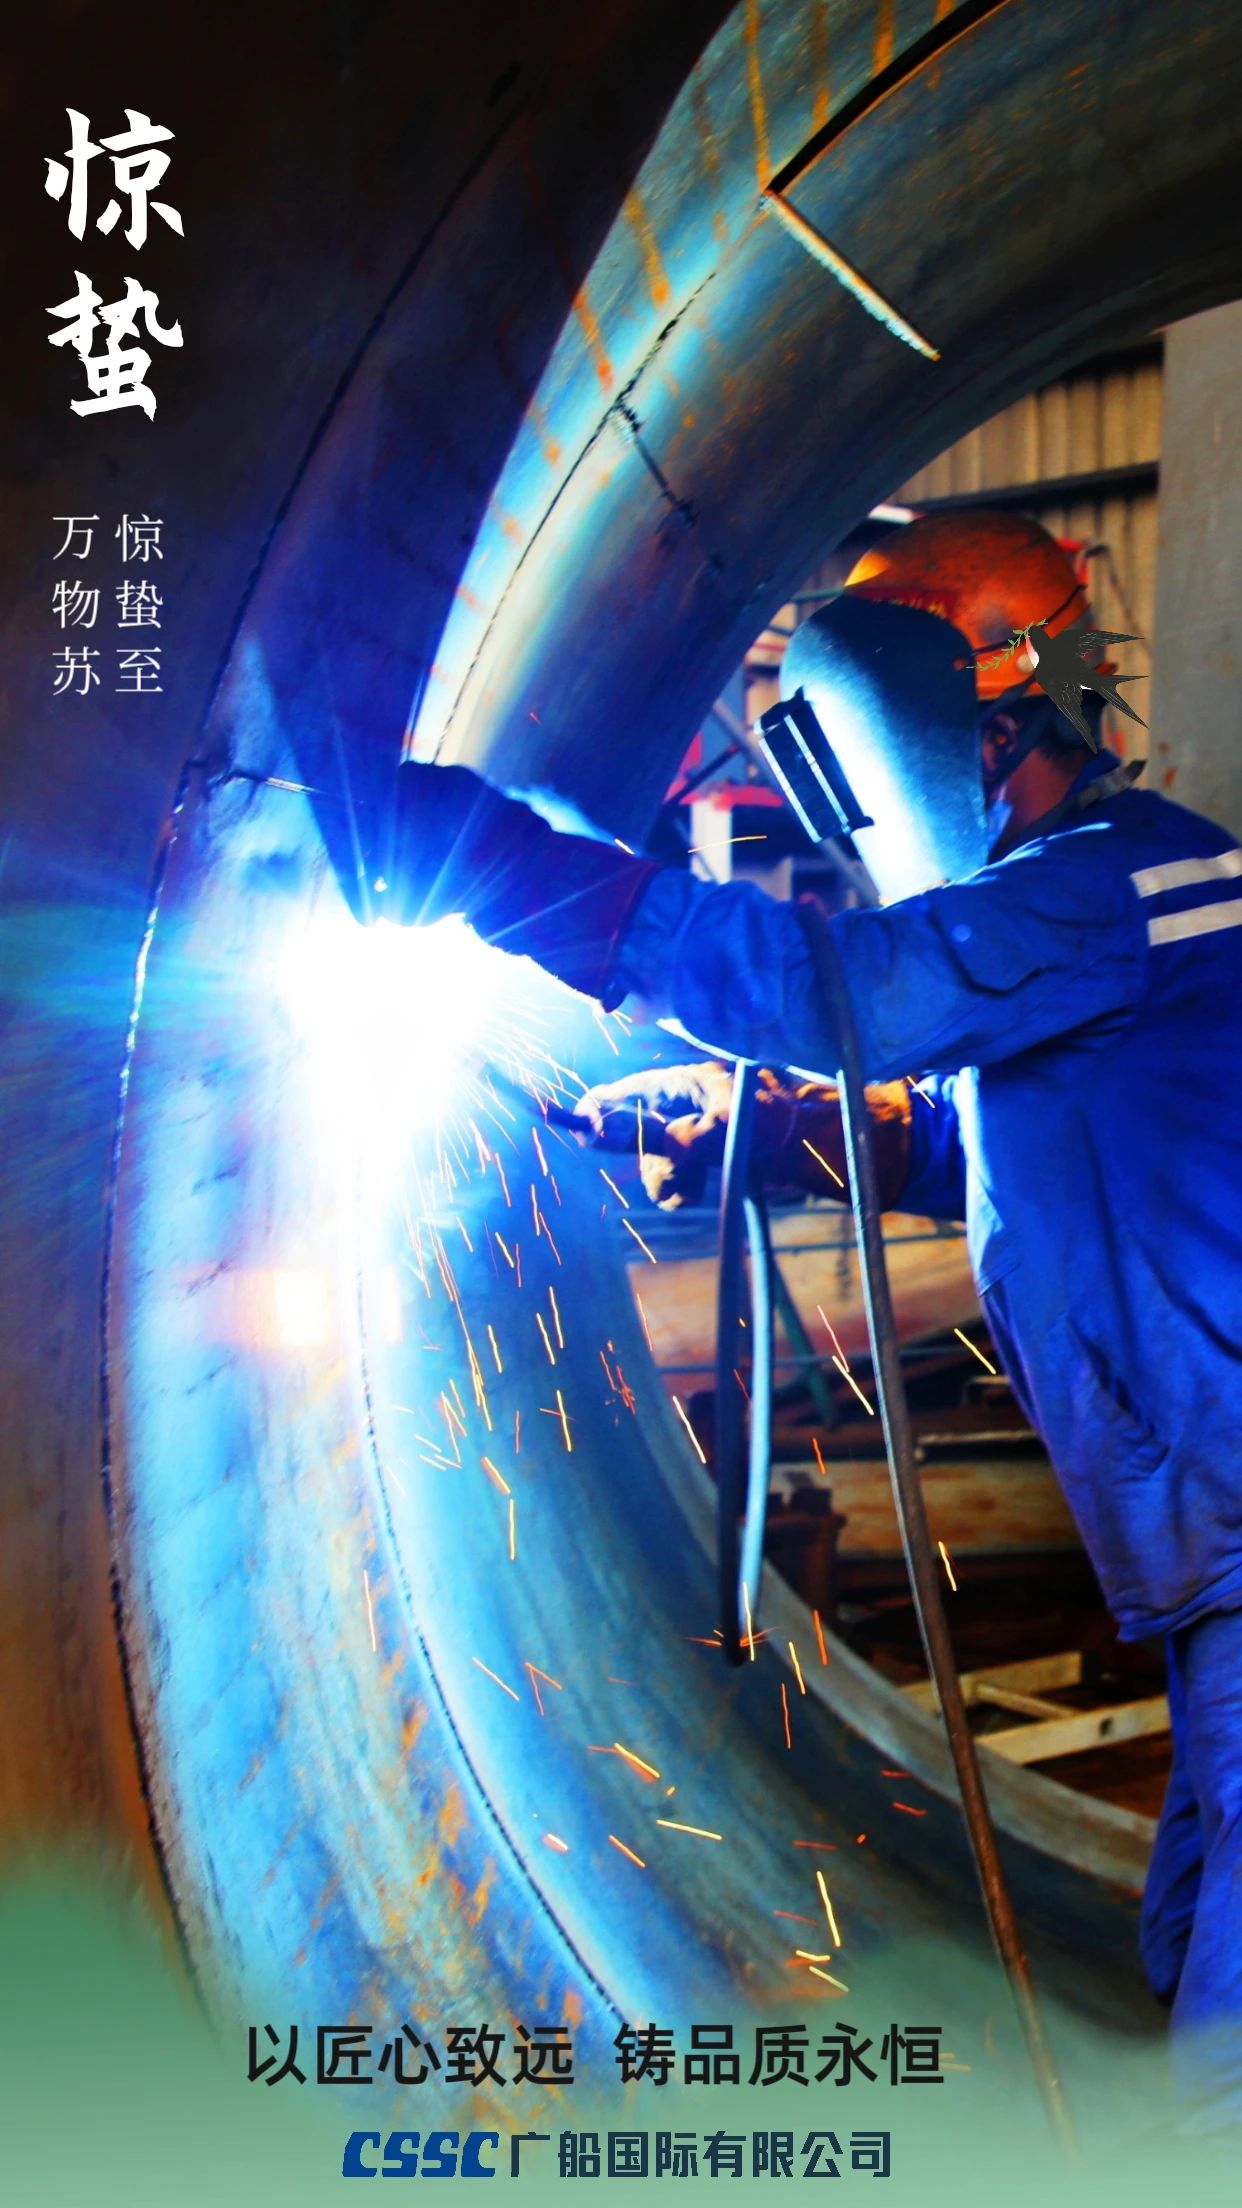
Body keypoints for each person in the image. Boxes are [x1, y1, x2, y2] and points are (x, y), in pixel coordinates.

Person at [386, 512, 1242, 2135]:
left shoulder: (1109, 887)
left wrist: (483, 861)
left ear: (973, 730)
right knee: (1185, 1942)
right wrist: (763, 1130)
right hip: (1211, 1578)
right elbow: (993, 1145)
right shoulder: (1098, 912)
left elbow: (842, 995)